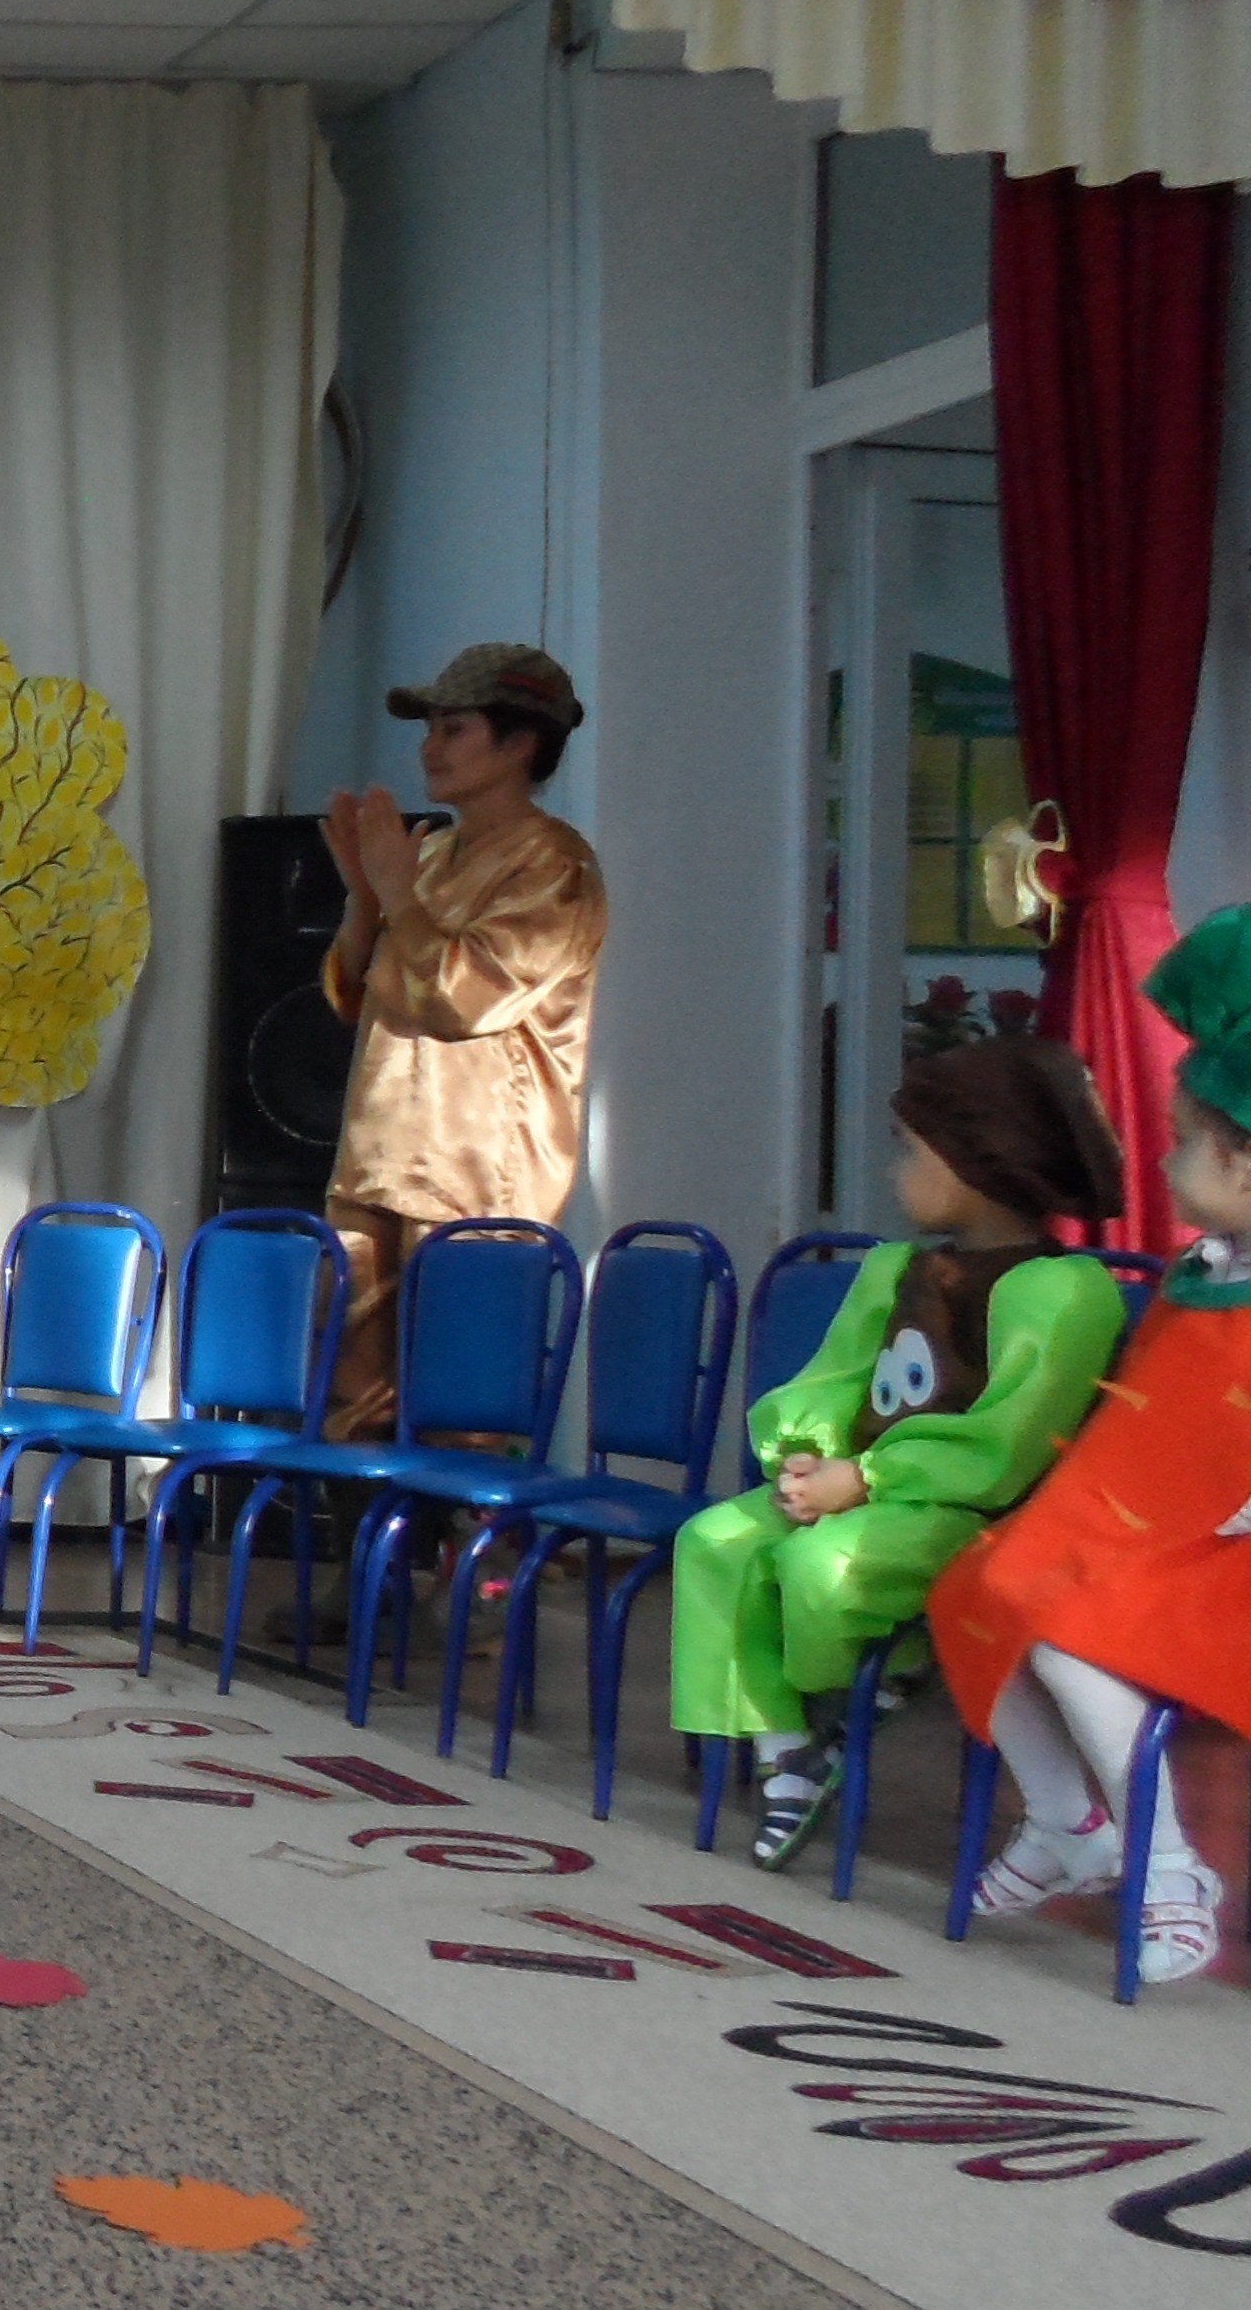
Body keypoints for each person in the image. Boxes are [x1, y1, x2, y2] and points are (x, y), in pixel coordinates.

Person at [672, 1033, 1129, 1869]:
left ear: (975, 1159)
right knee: (713, 1542)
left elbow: (1010, 1441)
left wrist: (868, 1477)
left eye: (911, 1152)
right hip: (859, 1488)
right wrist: (805, 1454)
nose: (896, 1172)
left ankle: (883, 1670)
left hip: (963, 1511)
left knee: (823, 1568)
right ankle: (790, 1748)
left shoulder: (1064, 1292)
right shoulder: (896, 1269)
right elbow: (839, 1378)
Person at [934, 910, 1251, 1983]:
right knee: (982, 1584)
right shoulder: (1204, 1274)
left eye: (1182, 1141)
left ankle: (1169, 1868)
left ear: (1245, 1162)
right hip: (1150, 1537)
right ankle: (1070, 1824)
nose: (1163, 1160)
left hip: (1225, 1560)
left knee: (1071, 1632)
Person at [316, 645, 607, 1444]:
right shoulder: (433, 854)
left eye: (454, 729)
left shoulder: (556, 866)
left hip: (478, 1179)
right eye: (429, 730)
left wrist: (397, 893)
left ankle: (469, 1530)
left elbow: (461, 999)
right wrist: (366, 900)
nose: (429, 749)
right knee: (352, 1409)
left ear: (519, 744)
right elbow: (350, 994)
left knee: (462, 1413)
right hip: (378, 1159)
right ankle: (364, 1531)